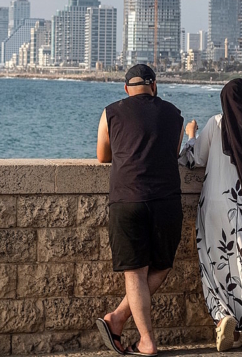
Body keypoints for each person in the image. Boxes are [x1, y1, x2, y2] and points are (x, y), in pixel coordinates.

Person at [180, 79, 242, 351]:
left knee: (217, 265)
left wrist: (191, 134)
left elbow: (192, 159)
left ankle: (224, 317)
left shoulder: (215, 123)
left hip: (216, 206)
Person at [95, 64, 184, 357]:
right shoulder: (175, 115)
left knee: (134, 274)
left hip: (128, 200)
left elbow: (102, 156)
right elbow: (172, 154)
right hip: (167, 201)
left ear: (125, 89)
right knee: (162, 266)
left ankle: (145, 340)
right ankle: (117, 319)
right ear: (154, 86)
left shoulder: (111, 112)